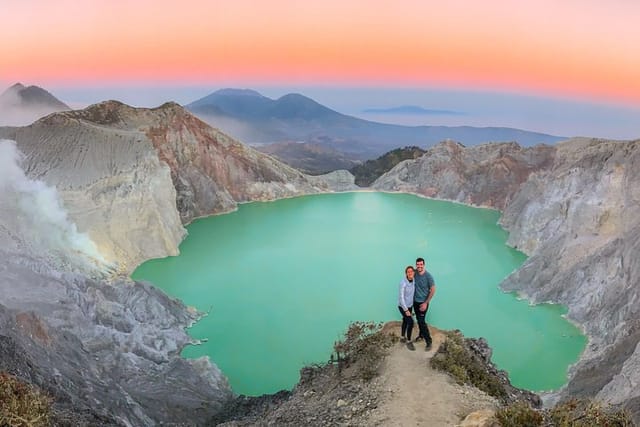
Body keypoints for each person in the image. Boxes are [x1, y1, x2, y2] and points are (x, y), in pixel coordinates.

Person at [413, 257, 436, 351]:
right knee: (419, 320)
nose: (419, 266)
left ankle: (429, 341)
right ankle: (421, 335)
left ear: (424, 265)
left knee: (422, 322)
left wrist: (426, 303)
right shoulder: (415, 273)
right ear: (416, 265)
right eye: (418, 265)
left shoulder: (428, 276)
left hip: (423, 303)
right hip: (415, 302)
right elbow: (408, 272)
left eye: (421, 264)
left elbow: (433, 289)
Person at [398, 265, 415, 350]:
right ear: (406, 273)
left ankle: (402, 337)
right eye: (408, 272)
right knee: (411, 322)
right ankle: (408, 341)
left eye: (411, 271)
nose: (410, 273)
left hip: (410, 305)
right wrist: (406, 310)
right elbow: (401, 298)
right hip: (403, 306)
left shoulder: (414, 280)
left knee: (405, 320)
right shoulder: (403, 283)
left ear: (413, 272)